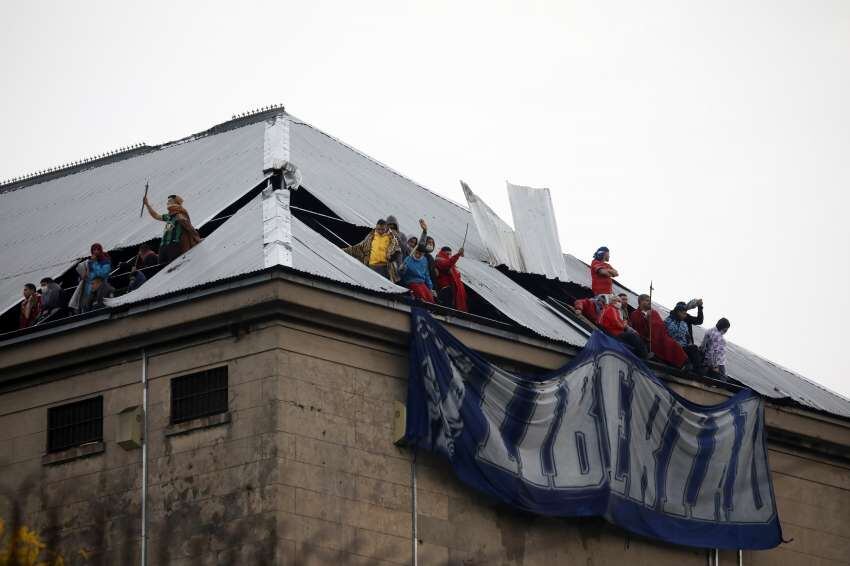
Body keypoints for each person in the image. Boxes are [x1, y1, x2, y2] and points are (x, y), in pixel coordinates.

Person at [629, 294, 688, 368]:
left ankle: (680, 364)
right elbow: (637, 327)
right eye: (647, 300)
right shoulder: (634, 314)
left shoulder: (654, 312)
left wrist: (650, 319)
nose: (649, 302)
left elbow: (660, 326)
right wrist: (645, 320)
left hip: (658, 337)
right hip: (645, 339)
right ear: (640, 301)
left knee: (671, 343)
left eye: (649, 301)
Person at [143, 194, 202, 265]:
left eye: (170, 201)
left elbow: (189, 228)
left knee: (173, 266)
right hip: (163, 245)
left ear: (176, 203)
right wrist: (147, 205)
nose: (167, 203)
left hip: (173, 244)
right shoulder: (169, 216)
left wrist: (197, 238)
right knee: (161, 268)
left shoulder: (179, 215)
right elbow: (156, 216)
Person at [665, 300, 705, 372]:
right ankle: (696, 370)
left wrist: (700, 307)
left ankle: (697, 370)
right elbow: (669, 333)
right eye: (683, 313)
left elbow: (688, 335)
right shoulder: (669, 321)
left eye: (685, 312)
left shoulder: (684, 322)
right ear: (678, 312)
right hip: (674, 346)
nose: (685, 315)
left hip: (685, 346)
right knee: (692, 350)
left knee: (697, 350)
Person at [80, 243, 112, 313]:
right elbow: (89, 274)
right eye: (94, 250)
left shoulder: (105, 261)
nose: (95, 252)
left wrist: (95, 263)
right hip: (92, 286)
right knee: (86, 304)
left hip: (102, 284)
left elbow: (102, 274)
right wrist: (85, 274)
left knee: (100, 301)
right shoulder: (90, 262)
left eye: (97, 249)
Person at [435, 246, 468, 311]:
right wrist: (458, 254)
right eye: (447, 254)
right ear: (442, 253)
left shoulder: (451, 264)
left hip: (453, 289)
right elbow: (447, 264)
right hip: (445, 288)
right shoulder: (439, 260)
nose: (449, 255)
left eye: (450, 254)